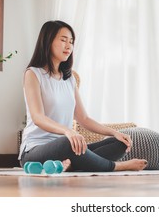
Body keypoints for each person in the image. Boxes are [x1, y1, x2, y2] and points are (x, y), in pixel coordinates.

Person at [18, 20, 147, 172]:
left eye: (71, 42)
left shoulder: (69, 79)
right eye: (63, 40)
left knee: (120, 143)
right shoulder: (33, 74)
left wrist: (115, 133)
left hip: (68, 147)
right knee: (67, 143)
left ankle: (70, 164)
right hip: (35, 150)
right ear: (48, 41)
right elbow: (38, 118)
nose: (69, 46)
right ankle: (116, 167)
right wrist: (68, 131)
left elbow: (83, 119)